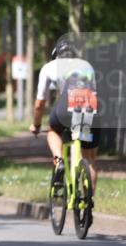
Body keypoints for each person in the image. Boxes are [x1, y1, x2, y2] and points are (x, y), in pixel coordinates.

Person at [30, 38, 100, 190]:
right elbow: (93, 92)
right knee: (89, 158)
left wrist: (36, 125)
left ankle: (59, 160)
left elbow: (39, 104)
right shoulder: (87, 65)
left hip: (67, 104)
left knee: (53, 131)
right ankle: (87, 209)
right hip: (90, 105)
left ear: (56, 55)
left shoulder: (49, 67)